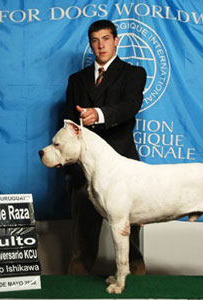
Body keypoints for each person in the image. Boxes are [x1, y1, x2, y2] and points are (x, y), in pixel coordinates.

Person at [65, 19, 146, 275]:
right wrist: (68, 165)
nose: (101, 45)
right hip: (85, 171)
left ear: (116, 40)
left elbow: (130, 106)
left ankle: (139, 285)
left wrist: (98, 114)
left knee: (130, 239)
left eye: (106, 39)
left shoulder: (134, 73)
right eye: (95, 40)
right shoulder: (76, 80)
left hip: (124, 170)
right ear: (90, 44)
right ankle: (75, 287)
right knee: (82, 242)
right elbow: (68, 126)